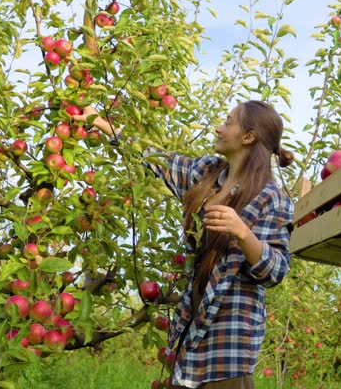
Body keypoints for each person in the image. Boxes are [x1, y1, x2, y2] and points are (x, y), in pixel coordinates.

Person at [75, 100, 294, 389]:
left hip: (228, 347)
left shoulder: (271, 198)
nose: (219, 127)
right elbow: (157, 159)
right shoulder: (206, 174)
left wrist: (242, 233)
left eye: (228, 122)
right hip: (189, 339)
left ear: (248, 136)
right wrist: (101, 124)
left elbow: (276, 269)